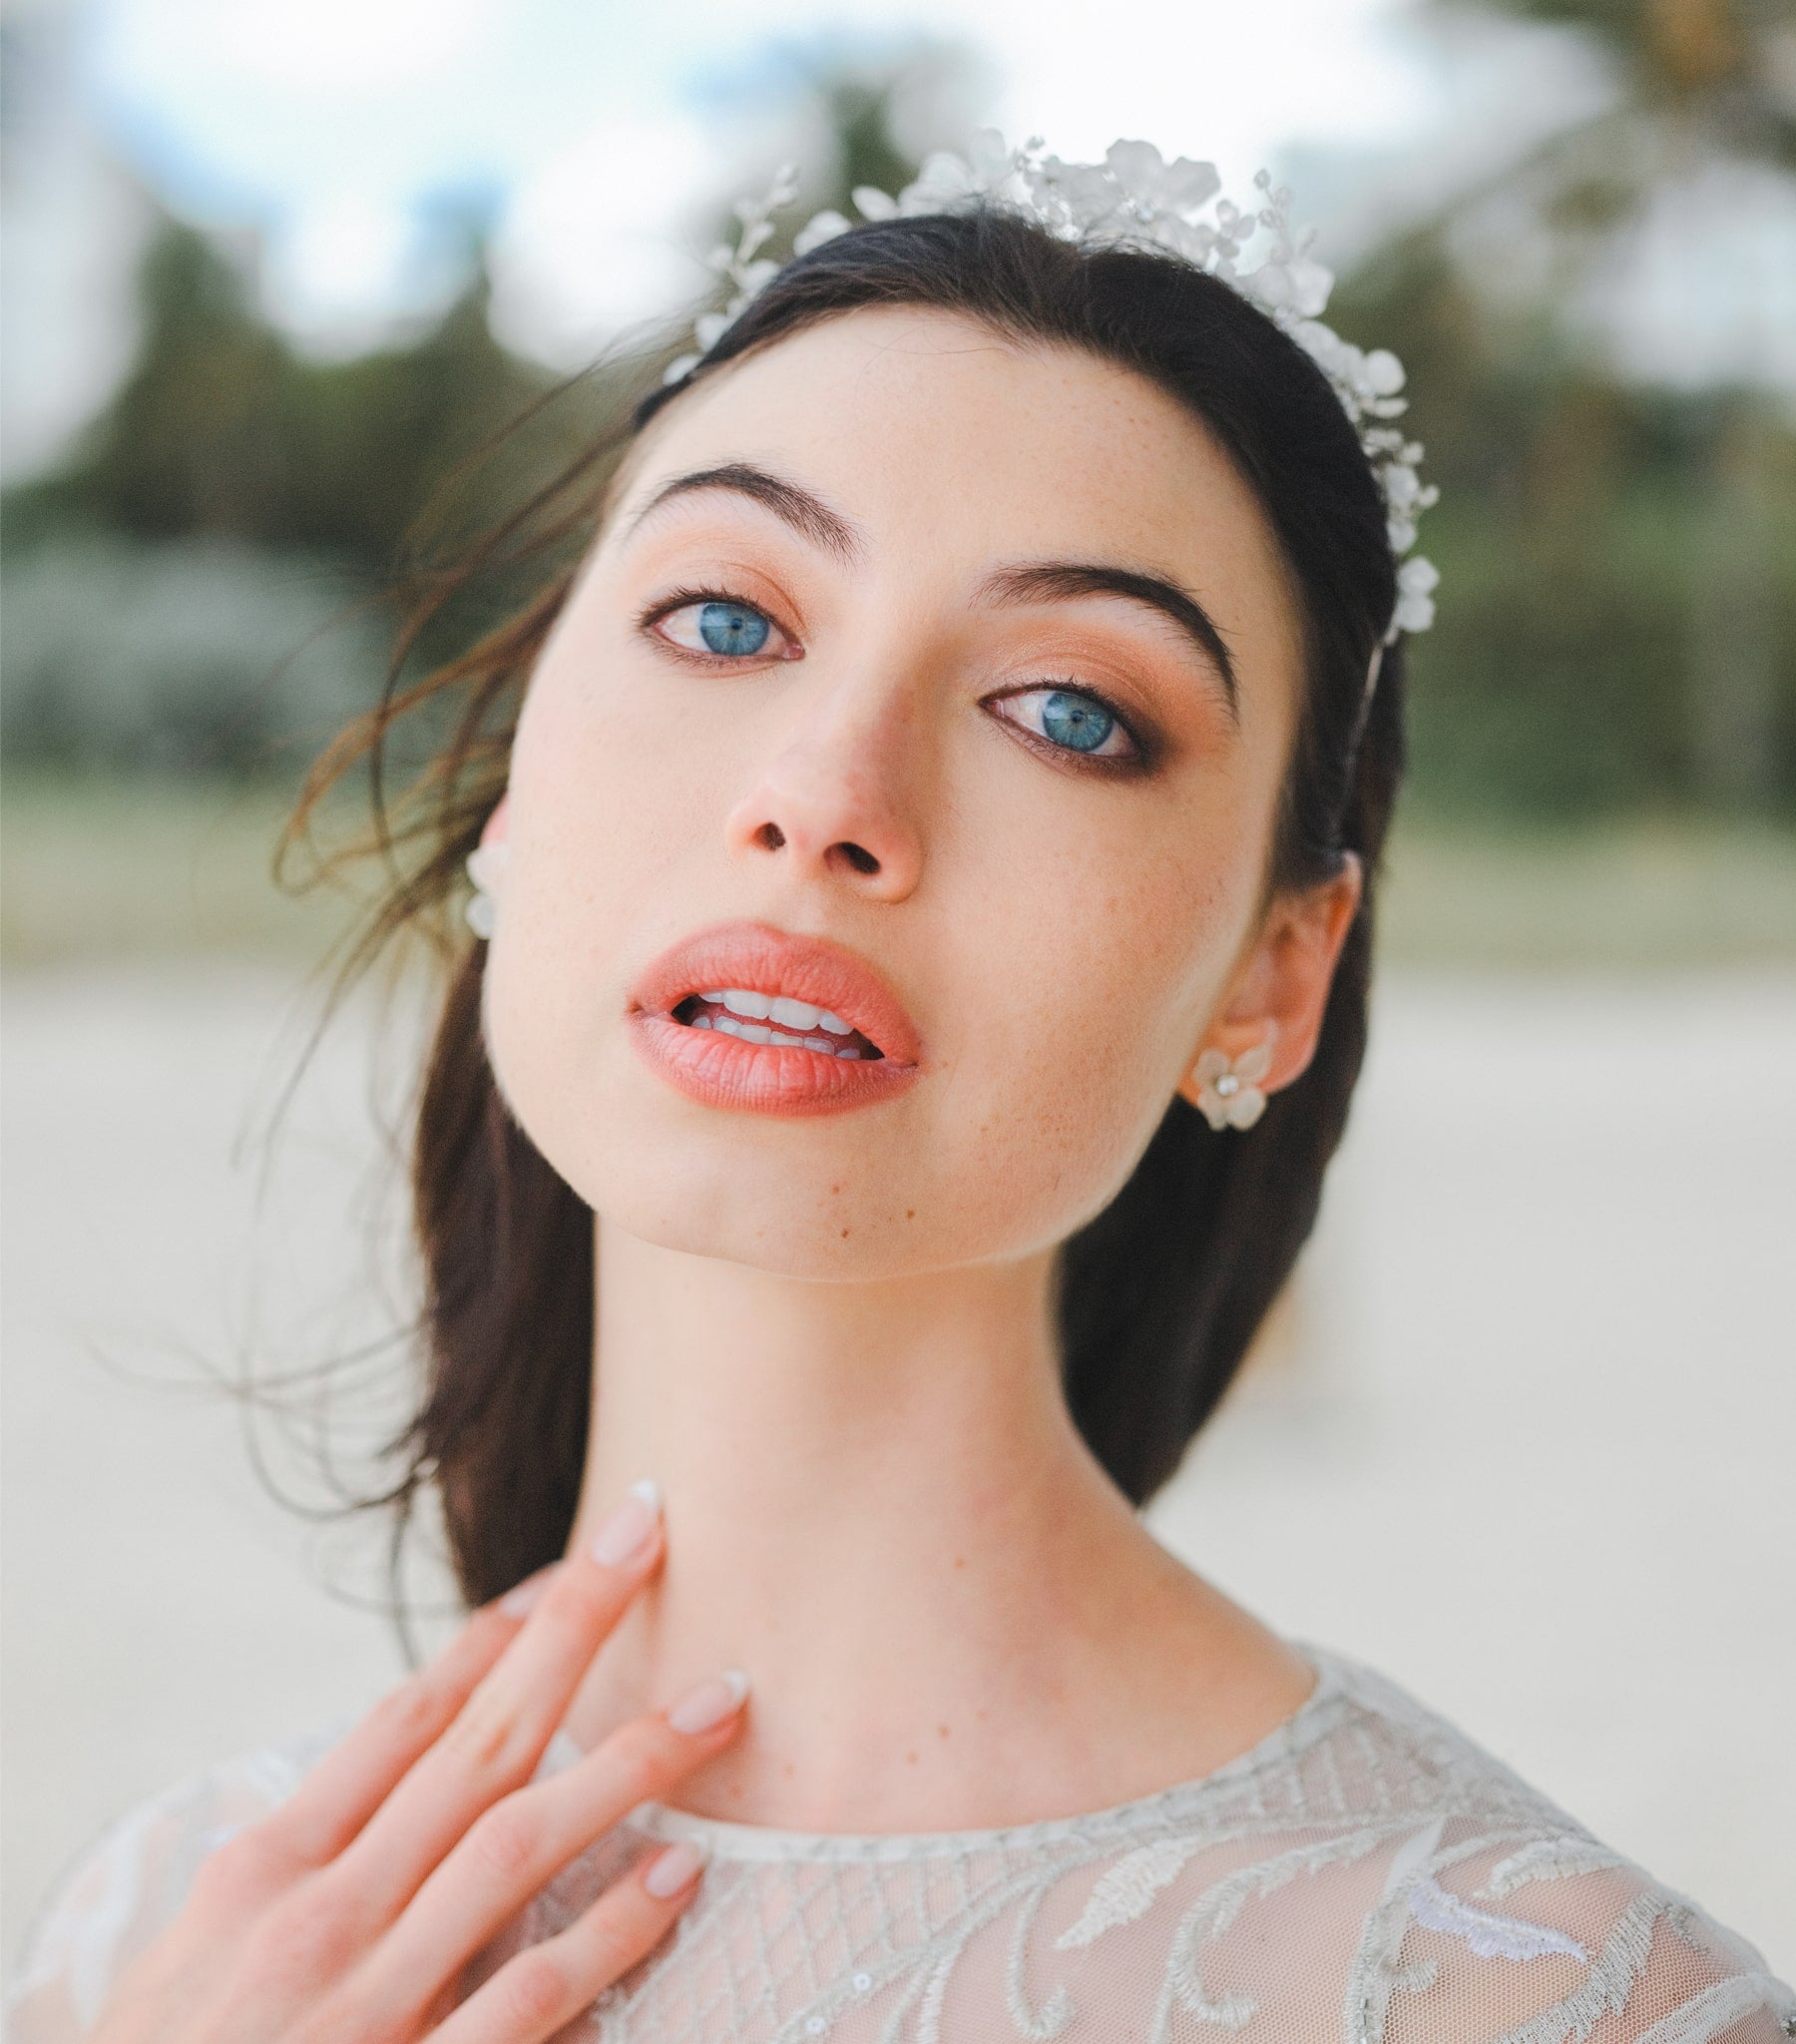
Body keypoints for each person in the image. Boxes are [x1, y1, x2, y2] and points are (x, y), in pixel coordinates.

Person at [7, 137, 1790, 2044]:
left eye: (1070, 713)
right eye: (725, 618)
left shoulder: (1534, 2000)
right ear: (520, 779)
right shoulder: (182, 1926)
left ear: (1277, 973)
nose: (827, 794)